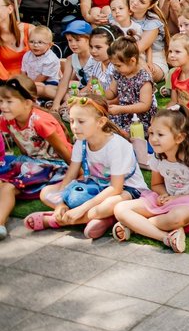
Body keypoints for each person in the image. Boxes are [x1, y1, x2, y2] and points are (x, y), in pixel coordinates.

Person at [28, 95, 148, 238]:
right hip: (96, 186)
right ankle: (101, 219)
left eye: (81, 121)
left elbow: (116, 188)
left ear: (101, 122)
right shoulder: (82, 141)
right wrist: (60, 201)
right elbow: (71, 174)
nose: (74, 127)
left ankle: (55, 220)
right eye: (72, 121)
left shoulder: (116, 145)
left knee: (106, 206)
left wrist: (82, 208)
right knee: (46, 192)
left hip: (127, 190)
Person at [112, 107, 189, 252]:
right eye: (151, 133)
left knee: (176, 218)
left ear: (179, 138)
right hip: (168, 200)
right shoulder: (158, 157)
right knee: (120, 209)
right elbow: (156, 184)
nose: (153, 139)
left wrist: (177, 198)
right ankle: (164, 237)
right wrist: (164, 194)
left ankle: (135, 227)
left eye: (160, 134)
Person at [0, 75, 72, 239]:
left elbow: (64, 150)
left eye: (9, 102)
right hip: (31, 162)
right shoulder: (7, 120)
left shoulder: (40, 121)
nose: (3, 106)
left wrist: (78, 173)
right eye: (1, 101)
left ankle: (0, 224)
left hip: (55, 165)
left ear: (27, 103)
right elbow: (22, 146)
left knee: (8, 186)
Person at [0, 0, 33, 78]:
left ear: (10, 9)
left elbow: (47, 58)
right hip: (8, 83)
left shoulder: (29, 30)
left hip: (36, 79)